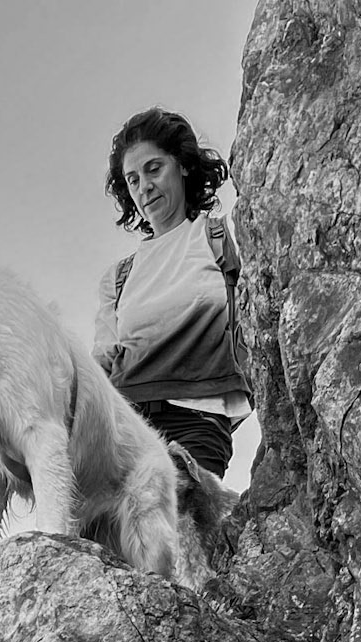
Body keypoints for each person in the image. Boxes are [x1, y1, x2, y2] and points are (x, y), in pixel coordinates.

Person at [93, 109, 254, 481]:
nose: (144, 187)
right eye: (132, 180)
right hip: (124, 429)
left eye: (153, 169)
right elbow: (100, 365)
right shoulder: (118, 277)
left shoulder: (221, 238)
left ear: (181, 165)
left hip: (198, 423)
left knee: (178, 528)